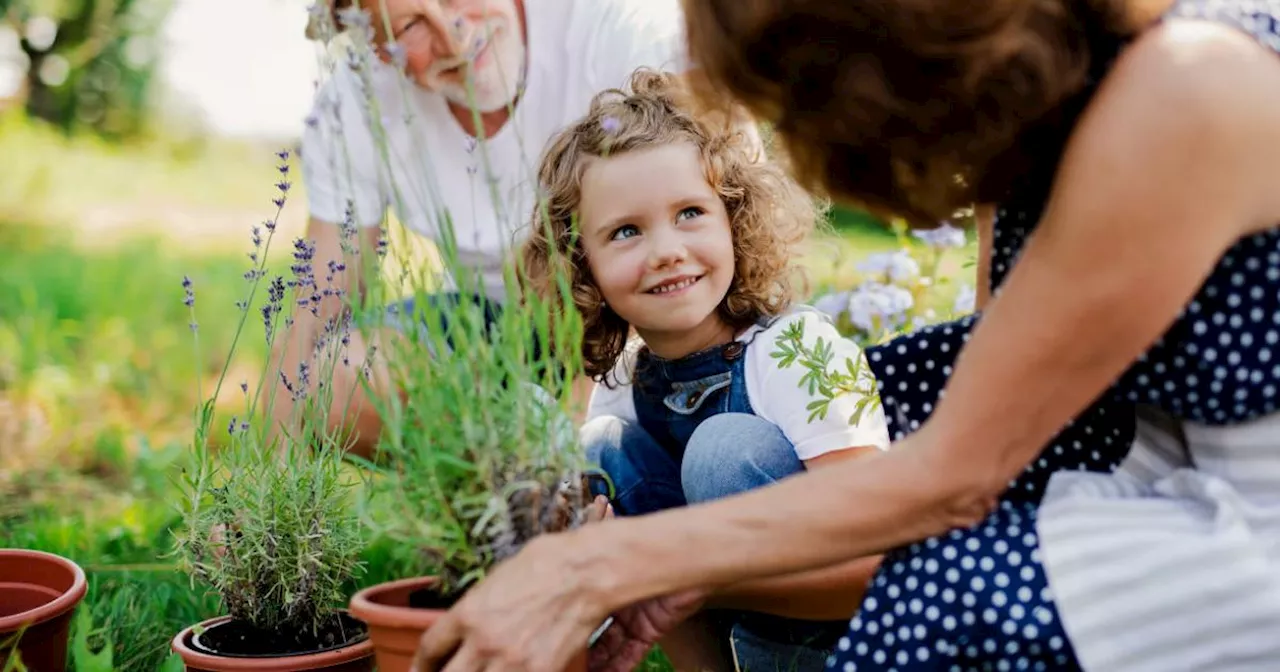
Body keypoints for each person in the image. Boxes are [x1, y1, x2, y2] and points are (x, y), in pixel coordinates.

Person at [407, 0, 1280, 670]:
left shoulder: (1185, 90)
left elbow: (952, 478)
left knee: (936, 599)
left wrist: (599, 567)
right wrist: (660, 556)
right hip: (1149, 448)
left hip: (1248, 531)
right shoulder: (1070, 90)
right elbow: (996, 356)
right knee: (861, 388)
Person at [517, 69, 891, 671]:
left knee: (721, 447)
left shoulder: (796, 351)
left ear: (734, 220)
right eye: (627, 231)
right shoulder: (625, 382)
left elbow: (878, 554)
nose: (666, 249)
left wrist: (674, 568)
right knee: (600, 451)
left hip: (853, 641)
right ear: (581, 265)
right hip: (717, 587)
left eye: (690, 212)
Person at [269, 0, 690, 457]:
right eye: (410, 25)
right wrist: (264, 489)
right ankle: (497, 488)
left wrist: (574, 418)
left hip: (641, 314)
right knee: (338, 377)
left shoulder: (614, 28)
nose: (454, 39)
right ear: (371, 41)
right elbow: (319, 302)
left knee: (602, 435)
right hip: (490, 323)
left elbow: (711, 222)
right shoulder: (354, 100)